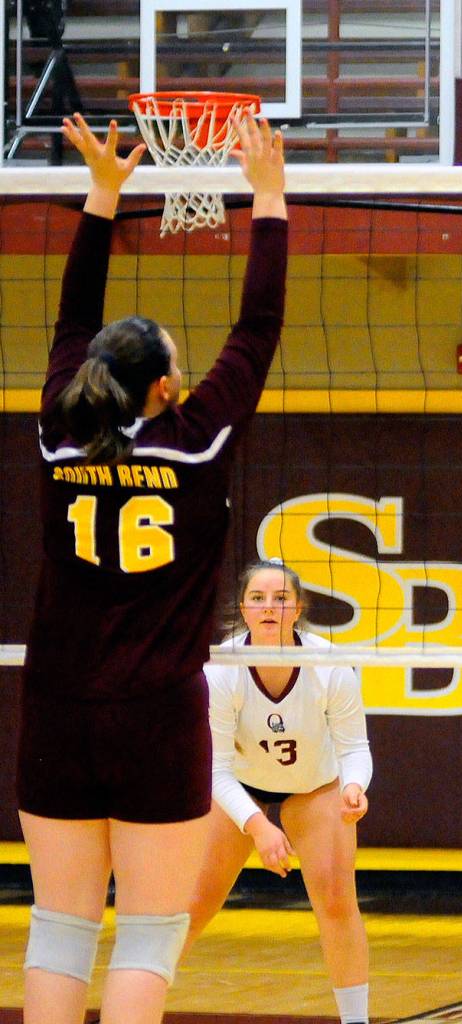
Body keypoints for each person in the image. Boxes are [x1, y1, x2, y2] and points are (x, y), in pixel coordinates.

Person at [15, 112, 287, 1024]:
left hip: (55, 705)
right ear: (168, 385)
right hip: (157, 717)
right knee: (147, 932)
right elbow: (259, 326)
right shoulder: (198, 440)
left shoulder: (59, 429)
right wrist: (270, 195)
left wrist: (101, 194)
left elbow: (71, 317)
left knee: (58, 927)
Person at [184, 559, 372, 1024]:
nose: (270, 607)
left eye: (281, 598)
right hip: (238, 788)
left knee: (335, 897)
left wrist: (354, 786)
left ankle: (357, 1022)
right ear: (243, 610)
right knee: (193, 902)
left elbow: (356, 748)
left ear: (299, 607)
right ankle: (132, 1012)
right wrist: (257, 826)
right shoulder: (221, 670)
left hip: (314, 787)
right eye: (259, 599)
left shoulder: (329, 665)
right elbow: (216, 768)